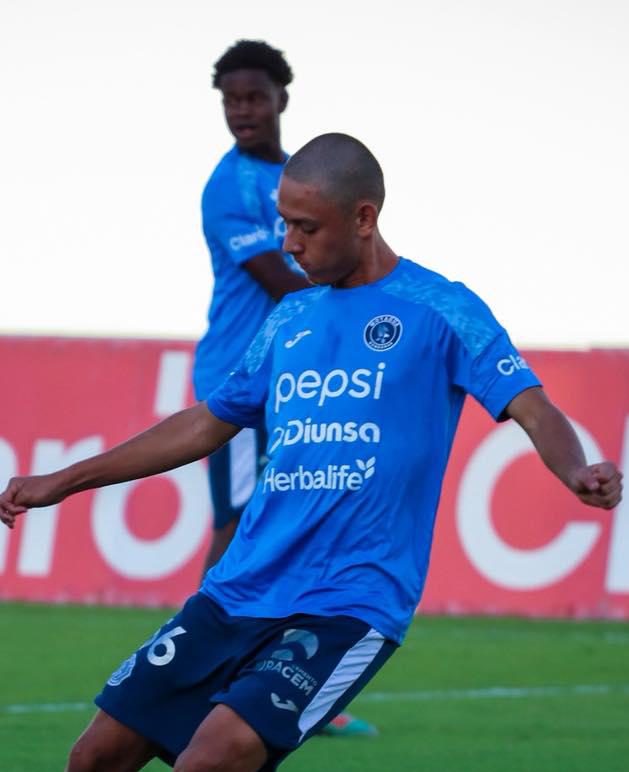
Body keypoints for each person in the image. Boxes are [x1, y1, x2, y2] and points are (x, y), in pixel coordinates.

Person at [0, 133, 623, 772]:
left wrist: (573, 469)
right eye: (282, 225)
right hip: (240, 591)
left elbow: (533, 406)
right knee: (94, 762)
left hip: (350, 608)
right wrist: (64, 479)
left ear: (364, 216)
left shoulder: (442, 310)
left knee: (208, 764)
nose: (289, 245)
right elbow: (206, 424)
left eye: (306, 227)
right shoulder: (290, 319)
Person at [197, 39, 374, 736]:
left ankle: (291, 680)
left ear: (281, 100)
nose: (242, 110)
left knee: (302, 522)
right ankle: (204, 666)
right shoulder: (228, 189)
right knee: (237, 522)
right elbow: (284, 282)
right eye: (231, 99)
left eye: (253, 97)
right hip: (239, 382)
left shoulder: (303, 181)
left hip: (305, 380)